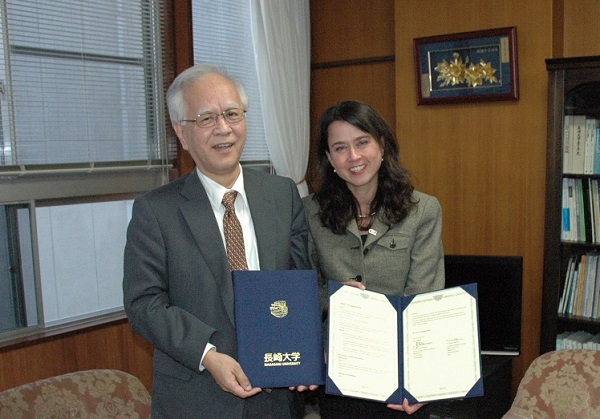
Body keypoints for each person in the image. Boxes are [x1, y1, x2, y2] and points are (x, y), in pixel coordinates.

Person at [123, 63, 316, 418]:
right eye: (207, 119)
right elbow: (143, 304)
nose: (223, 128)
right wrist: (208, 355)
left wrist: (306, 347)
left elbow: (300, 281)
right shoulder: (156, 211)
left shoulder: (282, 193)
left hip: (277, 398)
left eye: (232, 114)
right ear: (182, 133)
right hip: (197, 399)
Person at [303, 100, 445, 418]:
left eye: (362, 142)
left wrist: (421, 378)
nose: (353, 157)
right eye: (340, 148)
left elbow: (424, 298)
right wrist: (334, 297)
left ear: (381, 144)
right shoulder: (308, 212)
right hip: (336, 368)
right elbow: (303, 286)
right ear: (329, 158)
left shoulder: (423, 210)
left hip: (399, 372)